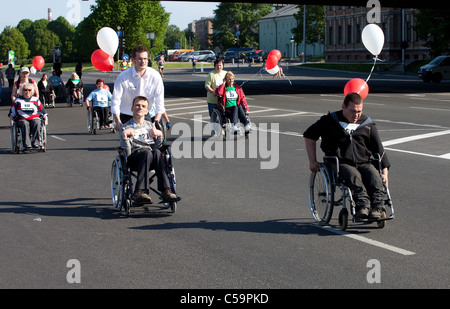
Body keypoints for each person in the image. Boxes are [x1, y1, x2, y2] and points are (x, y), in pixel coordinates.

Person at [303, 92, 390, 219]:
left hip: (363, 161)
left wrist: (385, 173)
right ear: (343, 106)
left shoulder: (366, 124)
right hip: (341, 162)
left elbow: (380, 151)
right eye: (353, 111)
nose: (356, 115)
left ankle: (378, 206)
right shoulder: (330, 121)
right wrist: (312, 161)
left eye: (359, 111)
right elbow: (309, 135)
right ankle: (363, 206)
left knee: (374, 176)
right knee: (353, 175)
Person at [120, 96, 177, 203]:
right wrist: (125, 137)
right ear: (132, 108)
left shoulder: (151, 126)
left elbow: (157, 148)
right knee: (147, 153)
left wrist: (160, 137)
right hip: (134, 158)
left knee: (155, 152)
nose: (140, 108)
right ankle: (139, 192)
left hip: (151, 158)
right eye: (137, 105)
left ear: (147, 110)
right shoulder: (125, 127)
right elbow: (127, 154)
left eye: (143, 106)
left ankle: (166, 191)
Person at [111, 45, 165, 131]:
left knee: (151, 141)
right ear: (133, 60)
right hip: (126, 115)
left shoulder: (155, 76)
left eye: (145, 59)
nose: (143, 61)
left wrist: (157, 120)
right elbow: (115, 100)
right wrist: (117, 121)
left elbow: (160, 101)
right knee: (128, 142)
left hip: (145, 115)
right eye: (139, 59)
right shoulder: (123, 77)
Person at [9, 83, 48, 152]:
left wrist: (45, 117)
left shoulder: (35, 100)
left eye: (29, 90)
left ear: (32, 91)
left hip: (34, 117)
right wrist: (11, 119)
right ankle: (27, 145)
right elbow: (12, 112)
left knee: (37, 122)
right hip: (22, 118)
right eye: (25, 90)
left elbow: (43, 111)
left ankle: (36, 143)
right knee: (24, 124)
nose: (27, 92)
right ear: (22, 91)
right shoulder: (17, 100)